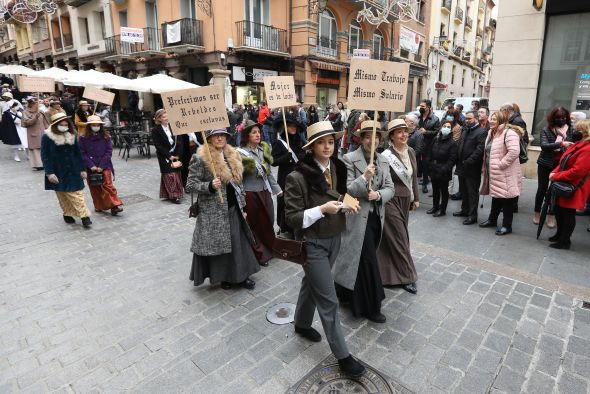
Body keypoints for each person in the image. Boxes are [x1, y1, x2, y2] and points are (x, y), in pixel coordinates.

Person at [284, 120, 365, 378]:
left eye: (331, 141)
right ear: (311, 147)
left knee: (312, 283)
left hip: (335, 238)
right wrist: (321, 210)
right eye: (321, 142)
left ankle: (301, 323)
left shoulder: (337, 168)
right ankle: (343, 356)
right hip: (312, 243)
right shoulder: (296, 177)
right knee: (328, 299)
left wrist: (349, 201)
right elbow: (292, 218)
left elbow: (338, 194)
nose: (327, 146)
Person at [333, 121, 395, 323]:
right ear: (360, 138)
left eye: (376, 137)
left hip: (377, 217)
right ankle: (371, 305)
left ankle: (345, 292)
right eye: (368, 136)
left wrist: (378, 195)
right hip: (357, 216)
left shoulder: (384, 161)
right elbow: (346, 190)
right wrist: (364, 177)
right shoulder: (349, 158)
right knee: (366, 257)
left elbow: (390, 188)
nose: (372, 140)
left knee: (359, 257)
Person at [186, 128, 259, 289]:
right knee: (222, 247)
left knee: (238, 244)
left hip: (234, 207)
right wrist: (209, 186)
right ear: (209, 138)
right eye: (215, 136)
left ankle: (242, 276)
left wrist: (244, 206)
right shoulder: (200, 158)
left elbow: (239, 184)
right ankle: (225, 277)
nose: (220, 138)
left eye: (223, 135)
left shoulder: (232, 154)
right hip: (214, 211)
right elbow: (190, 185)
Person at [378, 119, 420, 294]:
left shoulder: (411, 151)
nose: (404, 135)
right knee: (400, 237)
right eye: (399, 132)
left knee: (394, 238)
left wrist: (415, 197)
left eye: (406, 131)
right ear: (392, 136)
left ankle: (386, 273)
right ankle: (407, 276)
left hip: (405, 200)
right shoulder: (385, 156)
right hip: (390, 200)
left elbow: (413, 177)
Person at [237, 120, 282, 266]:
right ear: (247, 135)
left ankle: (270, 247)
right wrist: (241, 196)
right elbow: (238, 178)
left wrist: (278, 190)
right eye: (254, 132)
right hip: (250, 194)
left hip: (265, 191)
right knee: (255, 224)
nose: (258, 135)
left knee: (269, 220)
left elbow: (268, 174)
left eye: (259, 132)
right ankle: (259, 253)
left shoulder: (264, 150)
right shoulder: (240, 153)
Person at [41, 112, 92, 228]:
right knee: (62, 194)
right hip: (57, 171)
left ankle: (85, 217)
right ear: (55, 124)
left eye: (66, 124)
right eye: (62, 124)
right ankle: (67, 213)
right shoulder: (46, 137)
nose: (64, 126)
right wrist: (49, 173)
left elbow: (78, 153)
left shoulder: (71, 134)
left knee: (76, 194)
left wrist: (83, 169)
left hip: (73, 169)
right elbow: (45, 156)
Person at [479, 112, 523, 235]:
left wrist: (501, 165)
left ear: (502, 120)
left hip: (505, 173)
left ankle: (507, 226)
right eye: (491, 119)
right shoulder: (491, 132)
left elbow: (514, 151)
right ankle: (492, 220)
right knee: (497, 197)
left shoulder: (509, 133)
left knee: (507, 200)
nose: (492, 121)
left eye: (495, 119)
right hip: (493, 172)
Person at [548, 119, 590, 249]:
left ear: (585, 132)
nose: (575, 132)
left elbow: (578, 171)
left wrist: (556, 176)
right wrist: (553, 173)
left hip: (575, 186)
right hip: (565, 182)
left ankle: (565, 241)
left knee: (568, 213)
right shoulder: (577, 144)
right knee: (560, 211)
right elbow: (563, 163)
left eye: (578, 130)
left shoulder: (587, 148)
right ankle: (559, 234)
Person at [534, 107, 573, 227]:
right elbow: (544, 146)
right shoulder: (546, 129)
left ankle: (551, 214)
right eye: (558, 118)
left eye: (563, 117)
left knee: (555, 190)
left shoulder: (571, 129)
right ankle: (537, 212)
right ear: (553, 118)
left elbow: (575, 143)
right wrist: (561, 143)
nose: (561, 120)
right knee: (542, 189)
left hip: (561, 165)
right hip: (545, 163)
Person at [78, 115, 123, 216]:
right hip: (91, 167)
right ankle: (99, 205)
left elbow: (108, 151)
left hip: (105, 165)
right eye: (93, 125)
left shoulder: (106, 136)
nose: (96, 126)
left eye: (97, 124)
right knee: (95, 188)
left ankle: (114, 205)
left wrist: (101, 166)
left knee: (108, 186)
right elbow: (82, 153)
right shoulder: (82, 138)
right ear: (89, 126)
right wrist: (91, 165)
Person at [271, 114, 305, 238]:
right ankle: (283, 228)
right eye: (290, 126)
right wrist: (286, 157)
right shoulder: (279, 143)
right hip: (285, 177)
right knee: (284, 202)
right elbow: (273, 161)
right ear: (285, 127)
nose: (293, 128)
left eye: (294, 126)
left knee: (297, 202)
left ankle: (296, 227)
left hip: (299, 176)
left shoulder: (300, 141)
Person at [454, 111, 487, 224]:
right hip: (461, 166)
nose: (467, 120)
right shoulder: (465, 130)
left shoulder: (481, 132)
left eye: (469, 119)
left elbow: (479, 150)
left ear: (476, 119)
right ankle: (465, 210)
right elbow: (460, 145)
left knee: (472, 192)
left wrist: (469, 161)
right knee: (463, 190)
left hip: (472, 168)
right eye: (466, 118)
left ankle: (473, 216)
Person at [151, 109, 184, 204]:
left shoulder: (174, 127)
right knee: (169, 174)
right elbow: (158, 146)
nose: (166, 118)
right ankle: (174, 196)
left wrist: (178, 155)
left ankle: (168, 193)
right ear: (159, 119)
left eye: (167, 116)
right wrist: (169, 156)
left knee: (176, 173)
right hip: (164, 156)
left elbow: (180, 142)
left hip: (176, 155)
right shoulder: (155, 130)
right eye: (164, 117)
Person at [427, 121, 457, 217]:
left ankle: (442, 210)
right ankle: (435, 207)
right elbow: (430, 154)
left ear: (451, 129)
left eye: (448, 127)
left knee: (444, 192)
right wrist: (430, 166)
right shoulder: (435, 140)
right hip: (434, 168)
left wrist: (444, 169)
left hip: (444, 171)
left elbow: (452, 159)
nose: (446, 128)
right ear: (441, 127)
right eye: (444, 126)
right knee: (435, 190)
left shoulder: (452, 143)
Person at [418, 99, 441, 193]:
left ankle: (425, 184)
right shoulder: (418, 117)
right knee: (420, 163)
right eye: (420, 106)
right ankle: (424, 179)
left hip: (429, 145)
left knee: (426, 164)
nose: (421, 108)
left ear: (428, 107)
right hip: (419, 144)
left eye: (423, 106)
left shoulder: (435, 119)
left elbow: (437, 132)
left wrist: (426, 132)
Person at [22, 97, 49, 170]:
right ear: (31, 104)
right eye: (35, 103)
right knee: (35, 149)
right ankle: (37, 165)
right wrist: (35, 117)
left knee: (43, 148)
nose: (37, 105)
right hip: (33, 133)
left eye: (37, 103)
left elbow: (45, 122)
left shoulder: (41, 111)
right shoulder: (26, 112)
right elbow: (26, 122)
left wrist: (48, 130)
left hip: (43, 132)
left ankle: (44, 163)